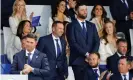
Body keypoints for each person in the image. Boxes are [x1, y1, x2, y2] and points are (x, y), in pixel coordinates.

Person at [66, 3, 100, 80]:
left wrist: (92, 56)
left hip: (92, 62)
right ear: (76, 11)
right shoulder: (71, 25)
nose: (85, 12)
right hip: (78, 61)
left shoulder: (92, 25)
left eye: (86, 10)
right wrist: (86, 54)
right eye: (82, 10)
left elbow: (97, 41)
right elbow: (72, 43)